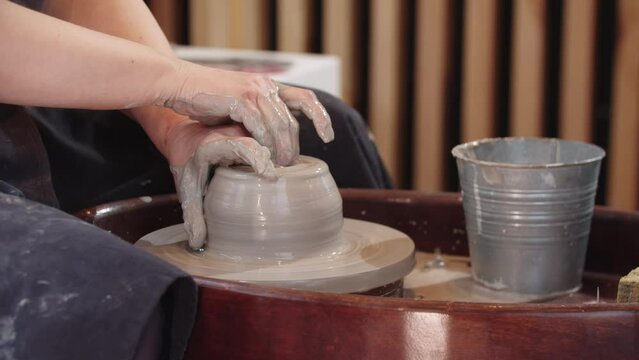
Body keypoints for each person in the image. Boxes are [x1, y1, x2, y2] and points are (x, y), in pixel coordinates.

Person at [0, 1, 391, 359]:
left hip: (30, 89)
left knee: (325, 137)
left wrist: (175, 125)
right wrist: (177, 82)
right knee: (111, 293)